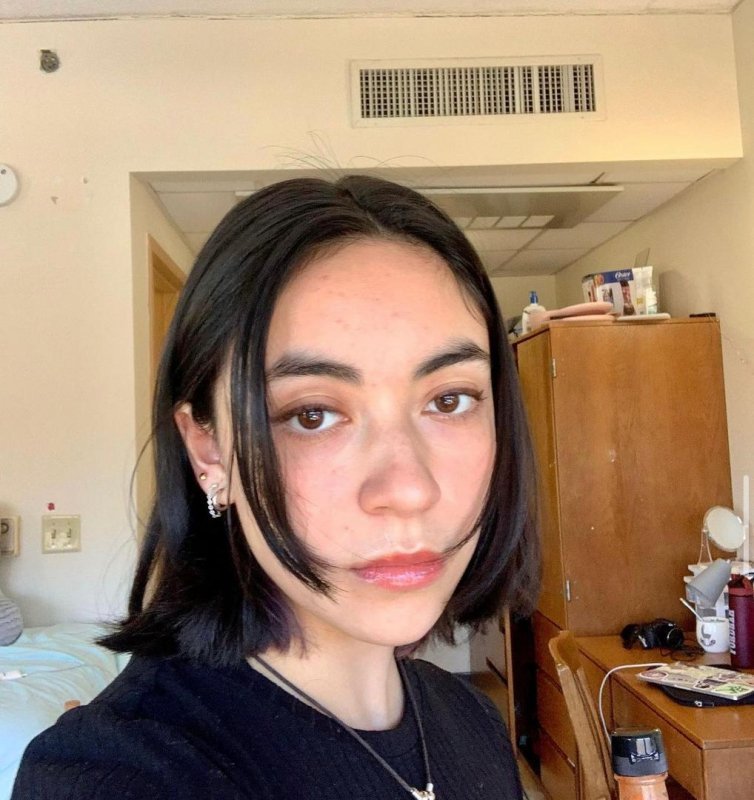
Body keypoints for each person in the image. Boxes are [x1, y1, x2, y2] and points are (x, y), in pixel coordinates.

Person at [13, 175, 539, 799]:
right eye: (312, 414)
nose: (408, 489)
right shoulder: (123, 775)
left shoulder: (473, 719)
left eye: (450, 400)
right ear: (209, 451)